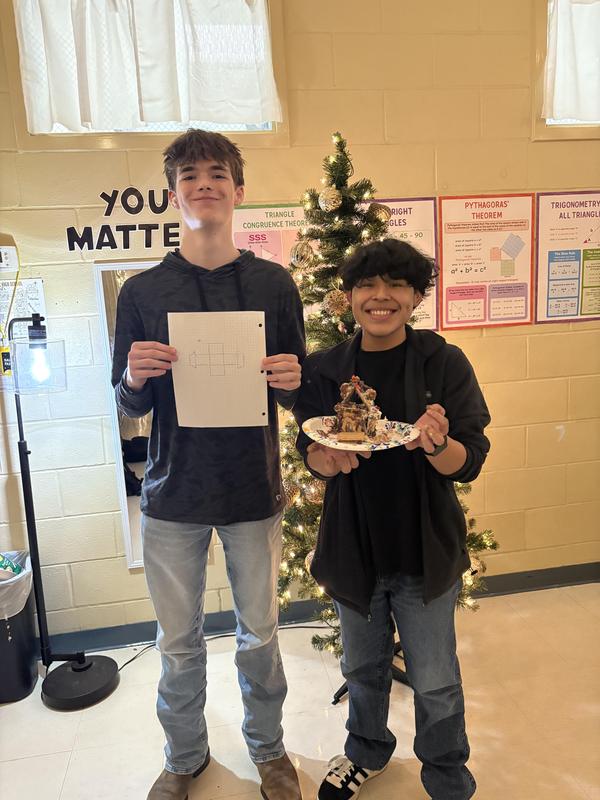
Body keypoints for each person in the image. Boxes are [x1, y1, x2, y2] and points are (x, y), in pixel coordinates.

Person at [112, 129, 306, 800]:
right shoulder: (142, 290)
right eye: (190, 175)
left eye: (217, 174)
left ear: (238, 192)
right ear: (174, 196)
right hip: (172, 498)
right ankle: (185, 757)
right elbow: (127, 402)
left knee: (259, 637)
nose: (205, 183)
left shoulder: (273, 285)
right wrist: (136, 377)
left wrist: (293, 379)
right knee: (178, 644)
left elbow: (301, 391)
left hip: (253, 491)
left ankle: (270, 752)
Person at [292, 238, 490, 800]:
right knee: (362, 669)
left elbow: (468, 461)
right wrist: (325, 460)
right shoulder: (326, 369)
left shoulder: (441, 362)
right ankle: (366, 752)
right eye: (368, 286)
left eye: (397, 285)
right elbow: (314, 448)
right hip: (353, 545)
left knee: (435, 679)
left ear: (416, 296)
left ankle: (446, 770)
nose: (381, 297)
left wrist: (436, 442)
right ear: (348, 296)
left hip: (424, 547)